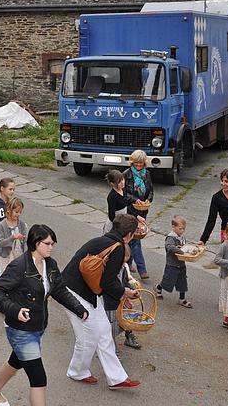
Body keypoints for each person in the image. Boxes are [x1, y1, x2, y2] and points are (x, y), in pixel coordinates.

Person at [0, 224, 89, 406]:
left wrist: (79, 309)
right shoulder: (19, 267)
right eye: (47, 243)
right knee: (38, 378)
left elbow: (59, 290)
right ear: (36, 243)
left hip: (38, 327)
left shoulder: (50, 264)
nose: (51, 247)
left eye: (52, 243)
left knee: (17, 360)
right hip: (20, 330)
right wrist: (15, 310)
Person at [60, 213, 142, 389]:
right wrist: (125, 292)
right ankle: (77, 371)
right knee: (89, 335)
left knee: (103, 330)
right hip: (73, 293)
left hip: (80, 290)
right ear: (129, 235)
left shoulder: (103, 240)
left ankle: (117, 377)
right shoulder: (118, 247)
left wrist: (121, 293)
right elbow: (108, 282)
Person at [122, 150, 153, 279]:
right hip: (130, 211)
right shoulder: (126, 174)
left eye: (141, 163)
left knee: (133, 238)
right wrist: (135, 200)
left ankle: (128, 262)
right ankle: (142, 270)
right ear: (132, 163)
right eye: (136, 163)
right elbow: (124, 194)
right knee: (135, 239)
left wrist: (148, 200)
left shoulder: (147, 174)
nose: (139, 165)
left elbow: (151, 191)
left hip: (142, 210)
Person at [156, 215, 192, 308]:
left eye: (184, 229)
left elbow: (185, 245)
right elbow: (170, 247)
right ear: (173, 227)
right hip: (172, 264)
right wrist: (181, 251)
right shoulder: (170, 238)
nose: (182, 231)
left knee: (182, 281)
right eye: (180, 229)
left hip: (181, 263)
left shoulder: (181, 237)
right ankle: (158, 288)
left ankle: (182, 299)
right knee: (168, 280)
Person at [0, 197, 28, 275]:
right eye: (16, 212)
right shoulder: (2, 225)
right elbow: (0, 243)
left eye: (20, 212)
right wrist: (12, 237)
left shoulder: (22, 225)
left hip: (19, 256)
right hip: (6, 257)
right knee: (5, 276)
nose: (18, 214)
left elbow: (25, 242)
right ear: (9, 210)